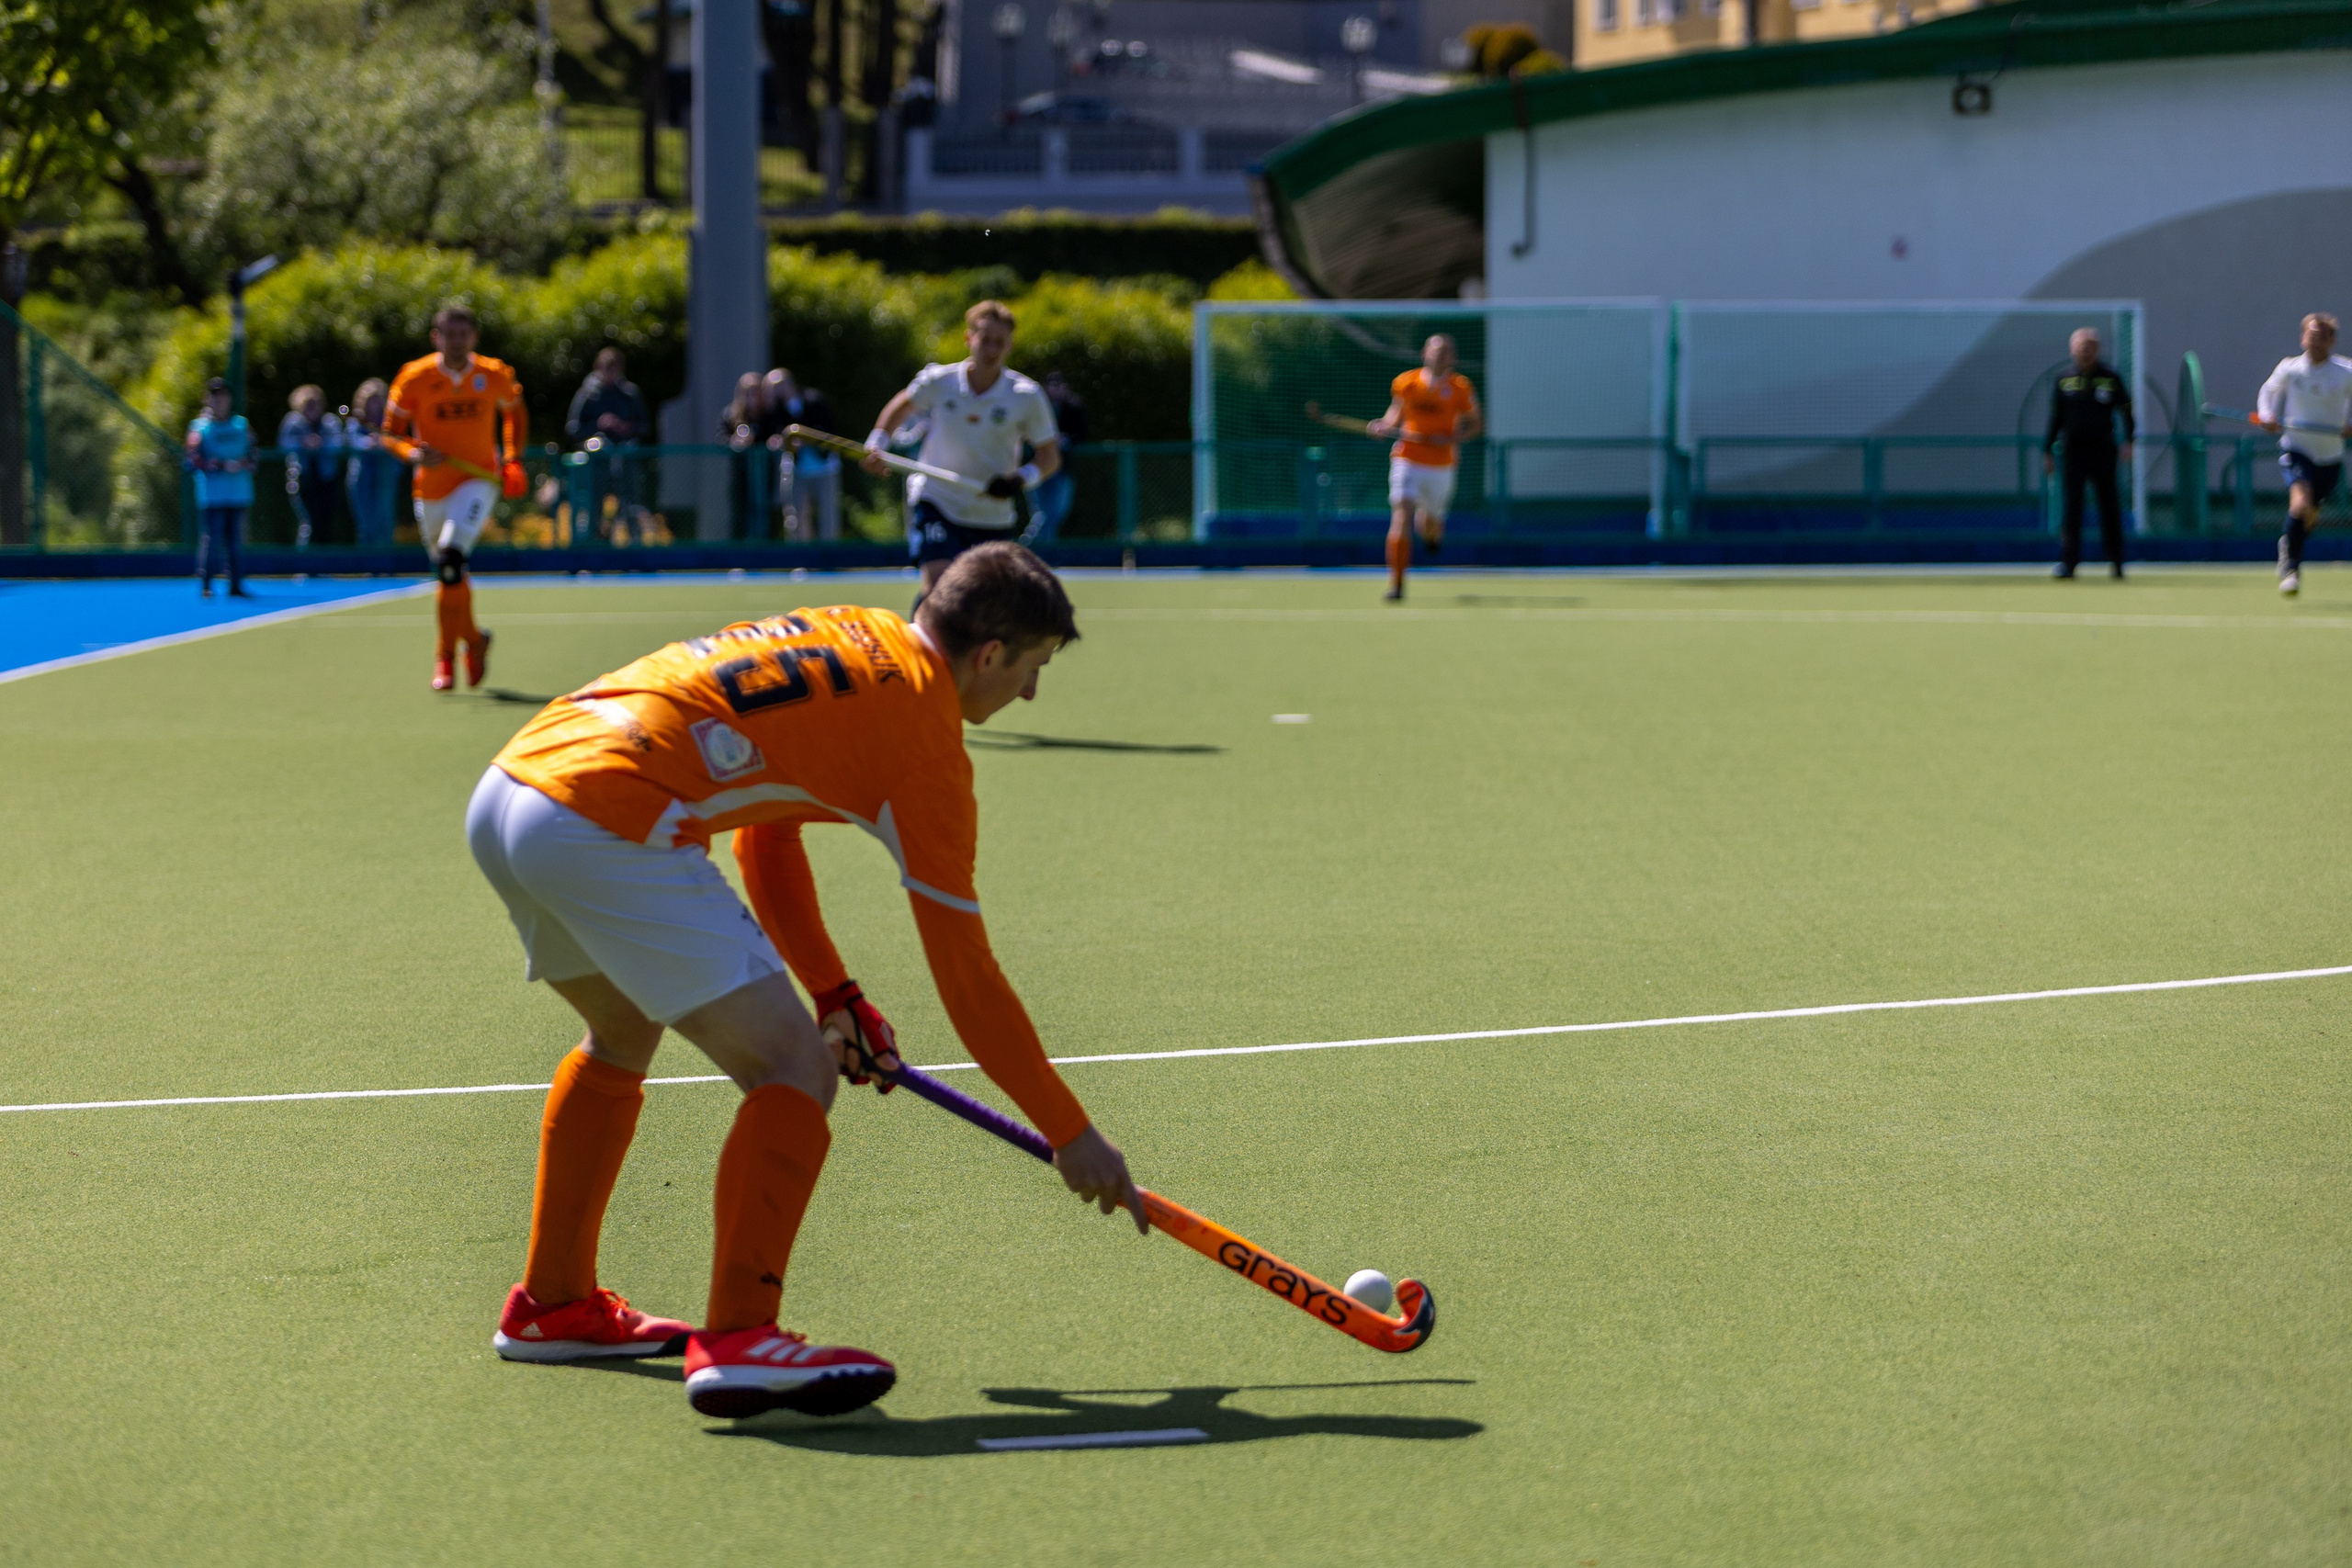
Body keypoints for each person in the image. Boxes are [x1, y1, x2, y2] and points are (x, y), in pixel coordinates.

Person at [466, 542, 1142, 1420]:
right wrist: (1070, 1131)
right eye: (1032, 670)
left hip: (516, 784)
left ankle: (553, 1305)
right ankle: (742, 1338)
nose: (1031, 694)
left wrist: (837, 995)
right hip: (607, 815)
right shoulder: (925, 745)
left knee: (625, 1029)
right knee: (794, 1068)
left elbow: (767, 834)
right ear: (989, 655)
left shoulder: (857, 633)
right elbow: (968, 980)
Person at [862, 300, 1061, 598]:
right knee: (941, 588)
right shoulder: (939, 381)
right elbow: (903, 405)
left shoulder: (1026, 395)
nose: (991, 350)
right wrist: (877, 443)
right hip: (937, 500)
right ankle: (920, 643)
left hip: (991, 514)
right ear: (969, 339)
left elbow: (1049, 458)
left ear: (1010, 346)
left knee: (979, 601)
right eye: (985, 340)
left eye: (1000, 343)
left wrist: (1018, 481)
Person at [381, 302, 526, 692]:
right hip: (430, 486)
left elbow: (515, 414)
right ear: (436, 338)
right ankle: (474, 641)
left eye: (464, 335)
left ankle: (444, 657)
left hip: (477, 480)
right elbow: (390, 432)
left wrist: (511, 459)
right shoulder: (414, 378)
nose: (457, 342)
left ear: (473, 337)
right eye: (450, 334)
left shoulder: (493, 375)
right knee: (449, 574)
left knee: (450, 557)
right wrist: (412, 453)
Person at [1366, 334, 1481, 603]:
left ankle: (1431, 533)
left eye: (1447, 352)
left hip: (1441, 465)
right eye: (1436, 351)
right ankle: (1397, 584)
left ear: (1453, 358)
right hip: (1407, 458)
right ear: (1424, 353)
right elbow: (1395, 414)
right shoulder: (1406, 383)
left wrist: (1453, 439)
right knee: (1402, 515)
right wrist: (1383, 426)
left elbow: (1476, 424)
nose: (1441, 356)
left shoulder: (1461, 387)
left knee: (1429, 525)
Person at [2256, 312, 2352, 597]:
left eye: (2321, 335)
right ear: (2302, 337)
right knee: (2300, 504)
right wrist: (2267, 416)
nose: (2315, 340)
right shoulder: (2290, 369)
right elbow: (2268, 391)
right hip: (2297, 448)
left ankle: (2290, 542)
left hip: (2330, 456)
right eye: (2310, 334)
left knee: (2309, 516)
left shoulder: (2345, 372)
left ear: (2332, 340)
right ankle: (2291, 568)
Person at [2042, 328, 2134, 581]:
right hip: (2073, 452)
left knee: (2109, 507)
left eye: (2090, 346)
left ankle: (2117, 564)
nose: (2085, 351)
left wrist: (2129, 441)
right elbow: (2055, 418)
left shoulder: (2110, 377)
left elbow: (2127, 411)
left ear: (2097, 350)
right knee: (2072, 509)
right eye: (2081, 346)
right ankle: (2069, 565)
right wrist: (2047, 450)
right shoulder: (2063, 379)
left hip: (2103, 450)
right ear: (2073, 349)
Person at [566, 347, 650, 546]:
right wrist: (598, 425)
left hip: (625, 462)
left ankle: (635, 546)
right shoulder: (587, 394)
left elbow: (644, 426)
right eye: (607, 369)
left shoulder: (629, 394)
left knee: (630, 503)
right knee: (594, 506)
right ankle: (594, 546)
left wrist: (626, 427)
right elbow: (572, 429)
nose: (611, 374)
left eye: (615, 369)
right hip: (597, 466)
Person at [186, 378, 254, 599]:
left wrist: (242, 464)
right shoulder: (199, 428)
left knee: (236, 541)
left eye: (223, 395)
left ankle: (235, 583)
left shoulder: (241, 425)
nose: (219, 400)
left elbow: (253, 454)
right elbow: (192, 459)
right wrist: (219, 465)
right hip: (213, 495)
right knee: (212, 539)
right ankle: (206, 583)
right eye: (215, 396)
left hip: (238, 493)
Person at [766, 367, 840, 542]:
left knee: (827, 514)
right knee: (796, 515)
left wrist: (805, 439)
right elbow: (773, 433)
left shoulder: (814, 400)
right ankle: (802, 560)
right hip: (796, 469)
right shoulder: (776, 410)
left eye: (776, 386)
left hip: (824, 467)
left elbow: (829, 430)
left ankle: (828, 559)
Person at [277, 385, 347, 547]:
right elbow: (284, 444)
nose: (312, 408)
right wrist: (303, 443)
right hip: (302, 479)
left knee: (325, 520)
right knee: (308, 521)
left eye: (316, 403)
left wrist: (321, 444)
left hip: (327, 478)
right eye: (308, 404)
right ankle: (305, 566)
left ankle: (323, 567)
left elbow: (339, 443)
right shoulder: (293, 422)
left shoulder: (330, 422)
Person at [721, 371, 785, 538]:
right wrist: (735, 441)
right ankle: (739, 559)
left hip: (764, 473)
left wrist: (774, 440)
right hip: (741, 473)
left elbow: (777, 434)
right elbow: (722, 438)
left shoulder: (770, 415)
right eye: (749, 392)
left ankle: (767, 555)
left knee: (765, 511)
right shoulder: (731, 414)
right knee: (740, 513)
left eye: (757, 391)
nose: (753, 396)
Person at [344, 378, 403, 549]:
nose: (374, 404)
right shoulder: (356, 420)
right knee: (365, 523)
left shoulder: (390, 420)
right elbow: (352, 439)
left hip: (387, 474)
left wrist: (384, 441)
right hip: (361, 475)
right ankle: (369, 567)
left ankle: (386, 566)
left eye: (377, 399)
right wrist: (367, 443)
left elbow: (397, 441)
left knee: (385, 520)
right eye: (370, 400)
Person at [1029, 371, 1089, 543]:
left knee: (1057, 512)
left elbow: (1082, 434)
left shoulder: (1074, 406)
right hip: (1037, 469)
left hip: (1063, 469)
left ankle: (1040, 552)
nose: (1057, 389)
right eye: (1053, 385)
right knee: (1040, 514)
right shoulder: (1035, 405)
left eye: (1061, 385)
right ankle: (1032, 551)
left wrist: (1066, 439)